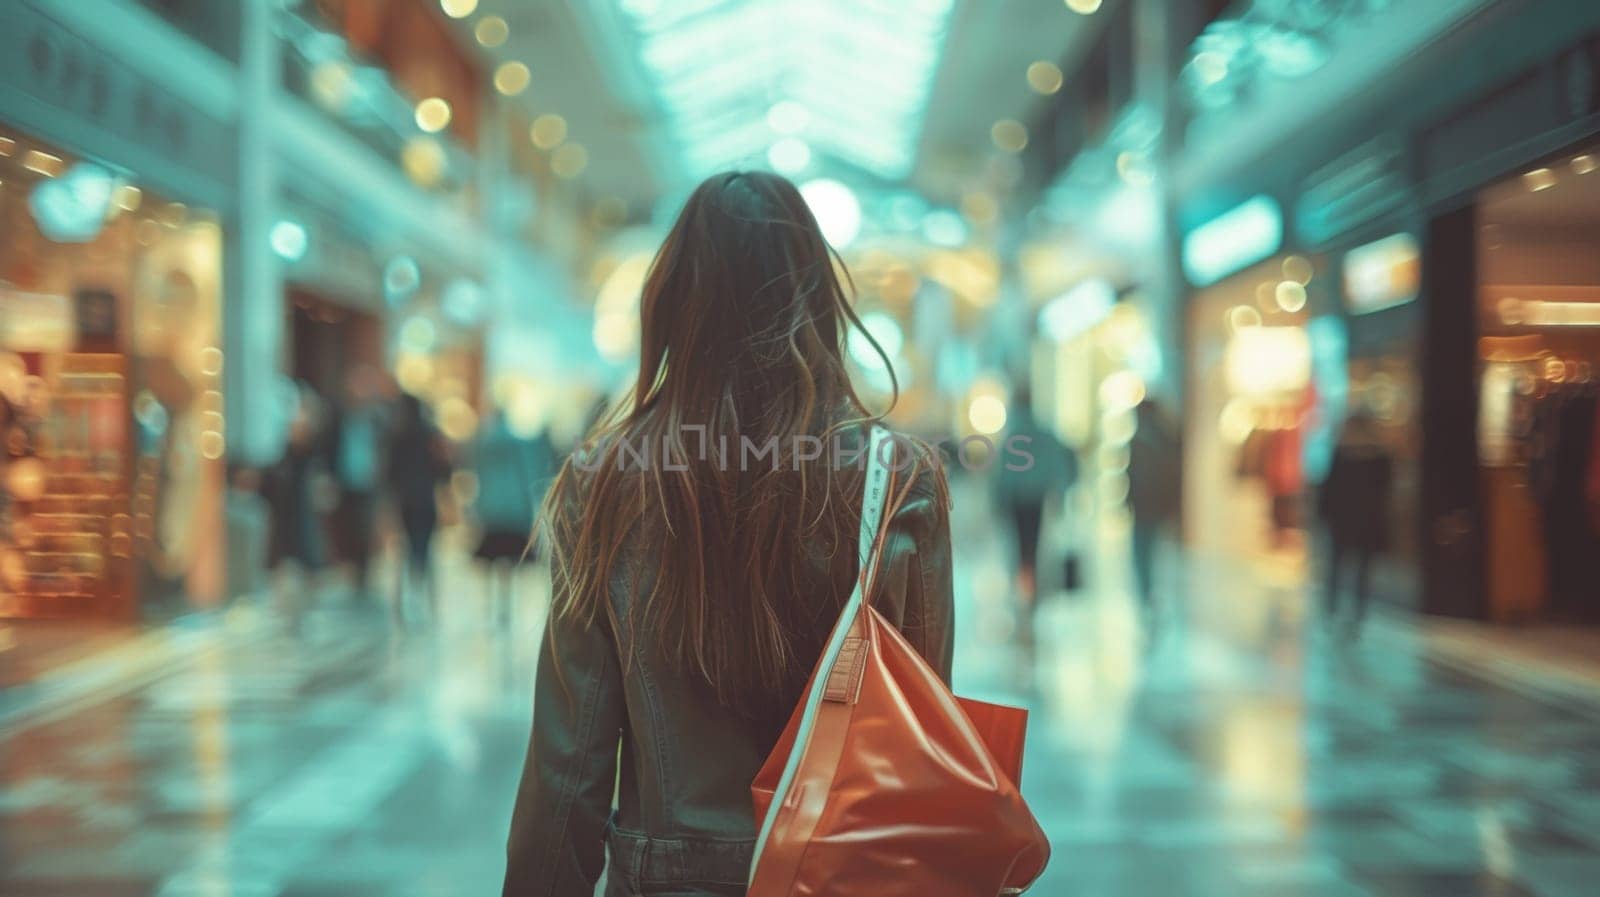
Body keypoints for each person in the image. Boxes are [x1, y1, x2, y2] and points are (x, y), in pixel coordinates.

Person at [502, 172, 953, 897]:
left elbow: (570, 764)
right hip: (847, 874)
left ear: (677, 298)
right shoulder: (897, 476)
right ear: (816, 294)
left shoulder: (608, 480)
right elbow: (926, 728)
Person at [992, 383, 1077, 613]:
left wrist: (999, 501)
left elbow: (1001, 473)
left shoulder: (1012, 435)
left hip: (1016, 499)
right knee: (1033, 544)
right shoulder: (1041, 433)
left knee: (1019, 546)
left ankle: (1024, 589)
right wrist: (1060, 491)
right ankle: (1030, 587)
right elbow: (1058, 462)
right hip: (1036, 498)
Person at [471, 408, 555, 621]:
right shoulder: (517, 444)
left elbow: (478, 476)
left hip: (492, 509)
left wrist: (478, 508)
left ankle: (493, 602)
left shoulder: (485, 444)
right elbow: (528, 474)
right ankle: (505, 603)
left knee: (492, 558)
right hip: (513, 508)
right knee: (508, 559)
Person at [1317, 410, 1394, 636]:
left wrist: (1325, 516)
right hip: (1362, 520)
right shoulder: (1376, 457)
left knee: (1343, 566)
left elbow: (1328, 490)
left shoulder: (1345, 454)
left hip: (1348, 520)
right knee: (1357, 568)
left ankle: (1337, 610)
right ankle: (1351, 613)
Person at [385, 392, 450, 625]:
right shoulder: (429, 434)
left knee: (408, 548)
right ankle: (421, 596)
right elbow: (444, 468)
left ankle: (410, 597)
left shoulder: (397, 435)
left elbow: (388, 472)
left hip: (405, 500)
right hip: (425, 499)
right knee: (423, 548)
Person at [328, 365, 387, 604]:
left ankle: (363, 571)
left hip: (368, 482)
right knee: (348, 527)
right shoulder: (341, 416)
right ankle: (352, 568)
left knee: (365, 526)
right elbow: (330, 447)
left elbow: (384, 449)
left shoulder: (376, 418)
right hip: (346, 481)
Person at [1126, 397, 1181, 627]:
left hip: (1142, 505)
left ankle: (1146, 596)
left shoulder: (1139, 439)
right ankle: (1151, 597)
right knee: (1153, 551)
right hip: (1157, 506)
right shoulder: (1167, 437)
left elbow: (1131, 474)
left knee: (1141, 554)